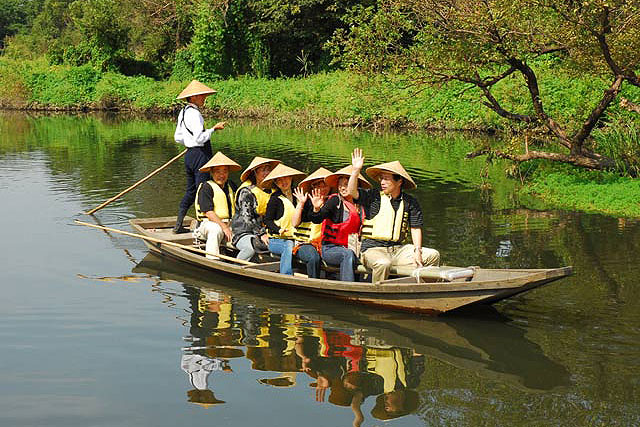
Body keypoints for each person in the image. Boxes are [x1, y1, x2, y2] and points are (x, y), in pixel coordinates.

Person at [347, 148, 440, 284]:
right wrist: (355, 171)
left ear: (399, 181)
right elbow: (352, 191)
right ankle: (378, 294)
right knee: (383, 263)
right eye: (381, 179)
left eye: (386, 179)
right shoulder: (373, 197)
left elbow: (415, 228)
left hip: (397, 250)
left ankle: (423, 289)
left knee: (432, 255)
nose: (382, 182)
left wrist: (417, 251)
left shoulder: (410, 202)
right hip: (372, 250)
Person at [173, 80, 226, 233]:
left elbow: (178, 137)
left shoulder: (183, 112)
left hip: (190, 155)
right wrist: (213, 129)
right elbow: (199, 138)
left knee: (191, 190)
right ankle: (202, 227)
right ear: (194, 97)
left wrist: (189, 144)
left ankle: (178, 225)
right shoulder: (195, 114)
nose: (204, 98)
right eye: (202, 96)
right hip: (200, 155)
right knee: (202, 189)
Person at [308, 166, 372, 282]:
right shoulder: (335, 201)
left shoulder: (362, 204)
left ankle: (368, 287)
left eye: (347, 184)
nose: (343, 188)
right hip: (330, 249)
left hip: (353, 248)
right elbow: (317, 218)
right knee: (347, 254)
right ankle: (348, 288)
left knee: (373, 258)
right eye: (340, 185)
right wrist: (316, 209)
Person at [231, 157, 281, 261]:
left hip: (268, 231)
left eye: (268, 169)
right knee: (250, 249)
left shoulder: (273, 190)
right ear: (255, 172)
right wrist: (261, 233)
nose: (266, 173)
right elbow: (247, 218)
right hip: (244, 231)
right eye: (263, 170)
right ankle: (235, 268)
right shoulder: (246, 192)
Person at [192, 151, 240, 259]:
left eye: (225, 171)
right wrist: (224, 227)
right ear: (212, 173)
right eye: (217, 172)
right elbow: (208, 213)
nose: (221, 175)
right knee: (216, 229)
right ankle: (212, 259)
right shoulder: (206, 187)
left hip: (229, 223)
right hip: (208, 224)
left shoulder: (231, 185)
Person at [262, 164, 307, 275]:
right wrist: (278, 230)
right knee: (288, 245)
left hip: (297, 238)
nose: (284, 182)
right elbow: (267, 220)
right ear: (276, 184)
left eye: (286, 178)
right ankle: (286, 275)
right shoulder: (274, 199)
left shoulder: (299, 195)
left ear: (291, 178)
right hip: (276, 240)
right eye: (279, 180)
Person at [290, 167, 334, 278]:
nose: (322, 189)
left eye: (324, 185)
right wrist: (300, 204)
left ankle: (334, 280)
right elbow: (294, 223)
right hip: (305, 243)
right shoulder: (306, 202)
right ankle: (314, 282)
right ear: (312, 188)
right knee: (313, 256)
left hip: (327, 244)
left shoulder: (334, 202)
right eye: (318, 186)